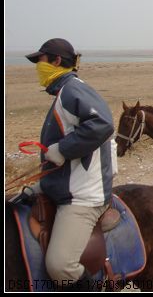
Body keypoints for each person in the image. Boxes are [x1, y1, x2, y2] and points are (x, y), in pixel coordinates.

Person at [21, 38, 115, 290]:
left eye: (39, 61)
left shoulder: (72, 90)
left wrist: (63, 149)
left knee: (60, 265)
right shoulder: (64, 91)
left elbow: (103, 124)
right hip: (64, 183)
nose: (37, 67)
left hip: (83, 194)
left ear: (56, 61)